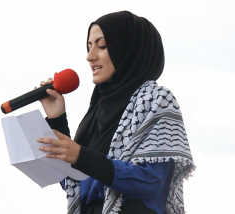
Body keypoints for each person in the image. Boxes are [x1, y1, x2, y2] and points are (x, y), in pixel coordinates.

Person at [36, 11, 195, 214]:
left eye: (102, 46)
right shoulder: (98, 108)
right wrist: (57, 118)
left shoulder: (156, 100)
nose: (90, 56)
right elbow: (76, 185)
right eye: (89, 47)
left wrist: (80, 155)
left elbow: (152, 182)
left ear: (128, 49)